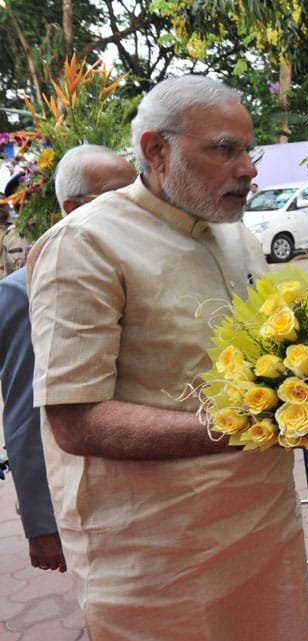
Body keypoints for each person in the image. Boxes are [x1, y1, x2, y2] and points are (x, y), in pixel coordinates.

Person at [27, 76, 308, 641]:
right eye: (224, 149)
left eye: (247, 151)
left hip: (264, 532)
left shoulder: (235, 235)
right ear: (157, 150)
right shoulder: (84, 243)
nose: (249, 169)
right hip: (160, 559)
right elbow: (76, 419)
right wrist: (247, 428)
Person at [0, 144, 136, 574]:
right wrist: (42, 525)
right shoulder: (28, 290)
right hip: (90, 500)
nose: (136, 208)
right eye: (118, 196)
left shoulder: (134, 270)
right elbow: (26, 414)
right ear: (72, 207)